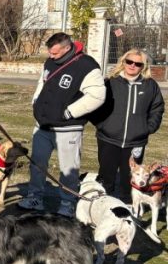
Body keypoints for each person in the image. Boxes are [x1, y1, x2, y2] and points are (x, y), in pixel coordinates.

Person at [21, 32, 106, 217]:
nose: (51, 56)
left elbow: (97, 96)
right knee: (37, 164)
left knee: (68, 169)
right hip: (42, 126)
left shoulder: (87, 66)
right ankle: (35, 197)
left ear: (67, 48)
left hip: (68, 128)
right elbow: (41, 83)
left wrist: (70, 112)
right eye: (50, 52)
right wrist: (35, 102)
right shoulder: (50, 62)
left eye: (55, 53)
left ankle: (67, 203)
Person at [94, 49, 164, 198]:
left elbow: (157, 108)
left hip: (136, 141)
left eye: (138, 64)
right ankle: (105, 205)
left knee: (130, 176)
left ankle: (128, 206)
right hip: (108, 138)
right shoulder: (110, 82)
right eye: (129, 62)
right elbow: (96, 104)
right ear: (123, 62)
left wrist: (147, 128)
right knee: (107, 174)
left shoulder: (150, 85)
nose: (132, 66)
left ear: (143, 66)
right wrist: (102, 124)